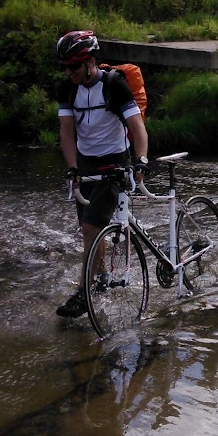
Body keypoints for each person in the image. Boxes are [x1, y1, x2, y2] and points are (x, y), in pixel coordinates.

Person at [54, 30, 150, 318]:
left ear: (90, 61)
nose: (69, 72)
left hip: (115, 163)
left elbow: (136, 126)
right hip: (86, 164)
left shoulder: (114, 85)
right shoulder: (68, 90)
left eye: (74, 66)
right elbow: (67, 131)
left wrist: (141, 160)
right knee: (89, 228)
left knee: (90, 228)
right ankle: (101, 279)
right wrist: (72, 168)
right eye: (65, 67)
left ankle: (86, 292)